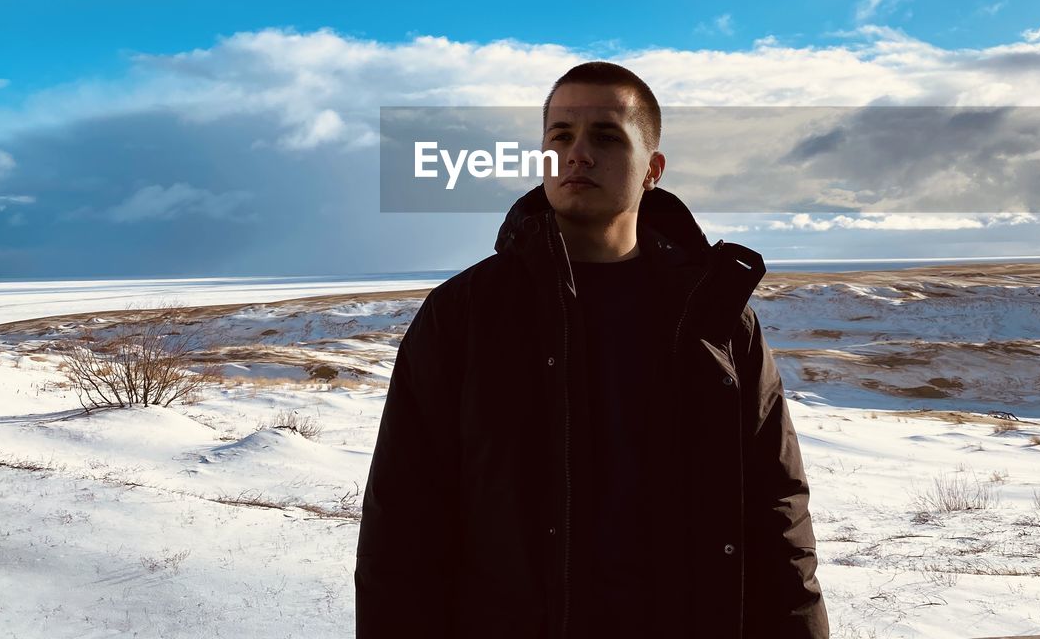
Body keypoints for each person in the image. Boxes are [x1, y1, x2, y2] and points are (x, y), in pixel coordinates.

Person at [355, 61, 829, 639]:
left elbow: (777, 511)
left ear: (652, 169)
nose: (577, 154)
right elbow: (402, 524)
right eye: (561, 137)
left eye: (606, 136)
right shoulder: (465, 315)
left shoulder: (714, 316)